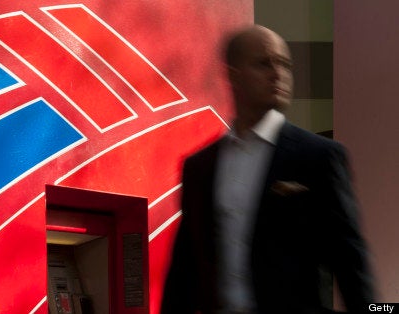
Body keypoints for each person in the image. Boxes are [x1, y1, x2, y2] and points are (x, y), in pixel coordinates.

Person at [160, 25, 375, 314]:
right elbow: (184, 268)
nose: (278, 74)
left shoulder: (319, 157)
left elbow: (350, 262)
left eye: (285, 64)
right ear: (234, 75)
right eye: (264, 63)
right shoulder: (200, 167)